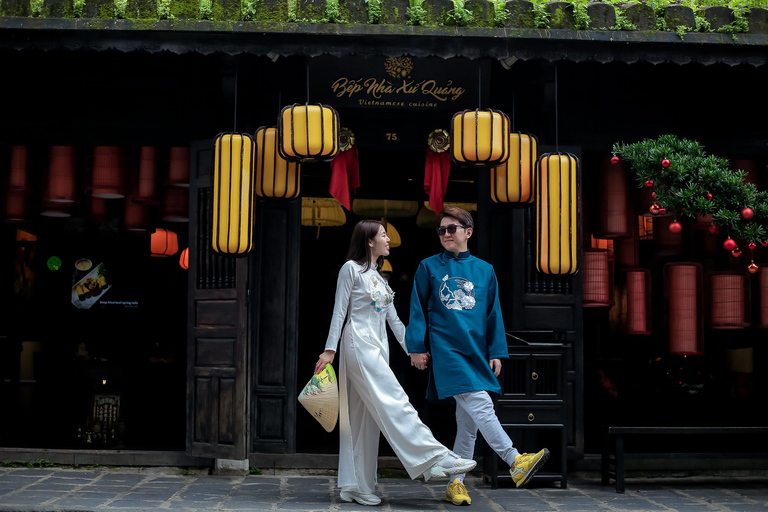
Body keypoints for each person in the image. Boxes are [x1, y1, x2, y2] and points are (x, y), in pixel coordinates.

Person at [315, 219, 477, 507]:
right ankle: (436, 457)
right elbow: (339, 311)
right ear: (368, 241)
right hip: (357, 345)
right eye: (383, 235)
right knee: (394, 400)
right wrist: (329, 350)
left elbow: (395, 322)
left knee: (364, 420)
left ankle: (356, 486)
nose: (388, 240)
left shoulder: (378, 277)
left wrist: (414, 350)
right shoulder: (350, 270)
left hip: (378, 349)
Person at [406, 206, 550, 506]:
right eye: (442, 230)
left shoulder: (485, 270)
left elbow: (493, 313)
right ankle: (515, 460)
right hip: (446, 349)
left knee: (469, 422)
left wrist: (496, 351)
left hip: (476, 350)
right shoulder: (428, 267)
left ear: (468, 232)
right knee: (481, 404)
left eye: (452, 229)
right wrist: (416, 346)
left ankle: (455, 483)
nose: (445, 234)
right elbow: (417, 308)